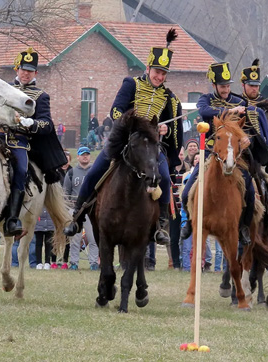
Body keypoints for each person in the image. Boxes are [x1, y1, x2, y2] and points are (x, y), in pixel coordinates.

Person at [64, 29, 184, 246]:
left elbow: (171, 126)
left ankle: (161, 225)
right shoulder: (132, 84)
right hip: (125, 142)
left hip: (150, 148)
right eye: (157, 71)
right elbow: (116, 112)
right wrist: (136, 124)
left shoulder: (169, 97)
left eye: (164, 74)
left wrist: (163, 131)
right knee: (95, 171)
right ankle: (77, 217)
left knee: (164, 177)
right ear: (148, 68)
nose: (160, 76)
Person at [179, 60, 268, 245]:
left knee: (248, 189)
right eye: (222, 86)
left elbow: (250, 128)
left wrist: (248, 139)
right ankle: (189, 223)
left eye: (227, 86)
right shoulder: (206, 99)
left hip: (235, 155)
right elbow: (205, 112)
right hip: (210, 152)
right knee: (186, 192)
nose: (225, 89)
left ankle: (245, 226)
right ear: (214, 85)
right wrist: (230, 110)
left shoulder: (240, 101)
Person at [0, 47, 66, 237]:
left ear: (36, 73)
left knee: (20, 170)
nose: (26, 74)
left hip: (19, 141)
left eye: (30, 71)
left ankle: (12, 220)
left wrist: (31, 123)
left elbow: (47, 124)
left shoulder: (41, 96)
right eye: (23, 69)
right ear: (16, 69)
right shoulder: (4, 89)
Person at [65, 147, 97, 270]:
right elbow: (66, 192)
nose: (85, 156)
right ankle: (74, 262)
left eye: (87, 154)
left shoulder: (94, 173)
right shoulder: (71, 172)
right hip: (75, 210)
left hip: (91, 209)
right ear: (78, 157)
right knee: (75, 239)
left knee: (93, 238)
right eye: (82, 154)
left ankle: (94, 263)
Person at [33, 205, 56, 269]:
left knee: (49, 244)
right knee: (38, 244)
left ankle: (47, 262)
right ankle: (38, 262)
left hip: (50, 224)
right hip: (38, 224)